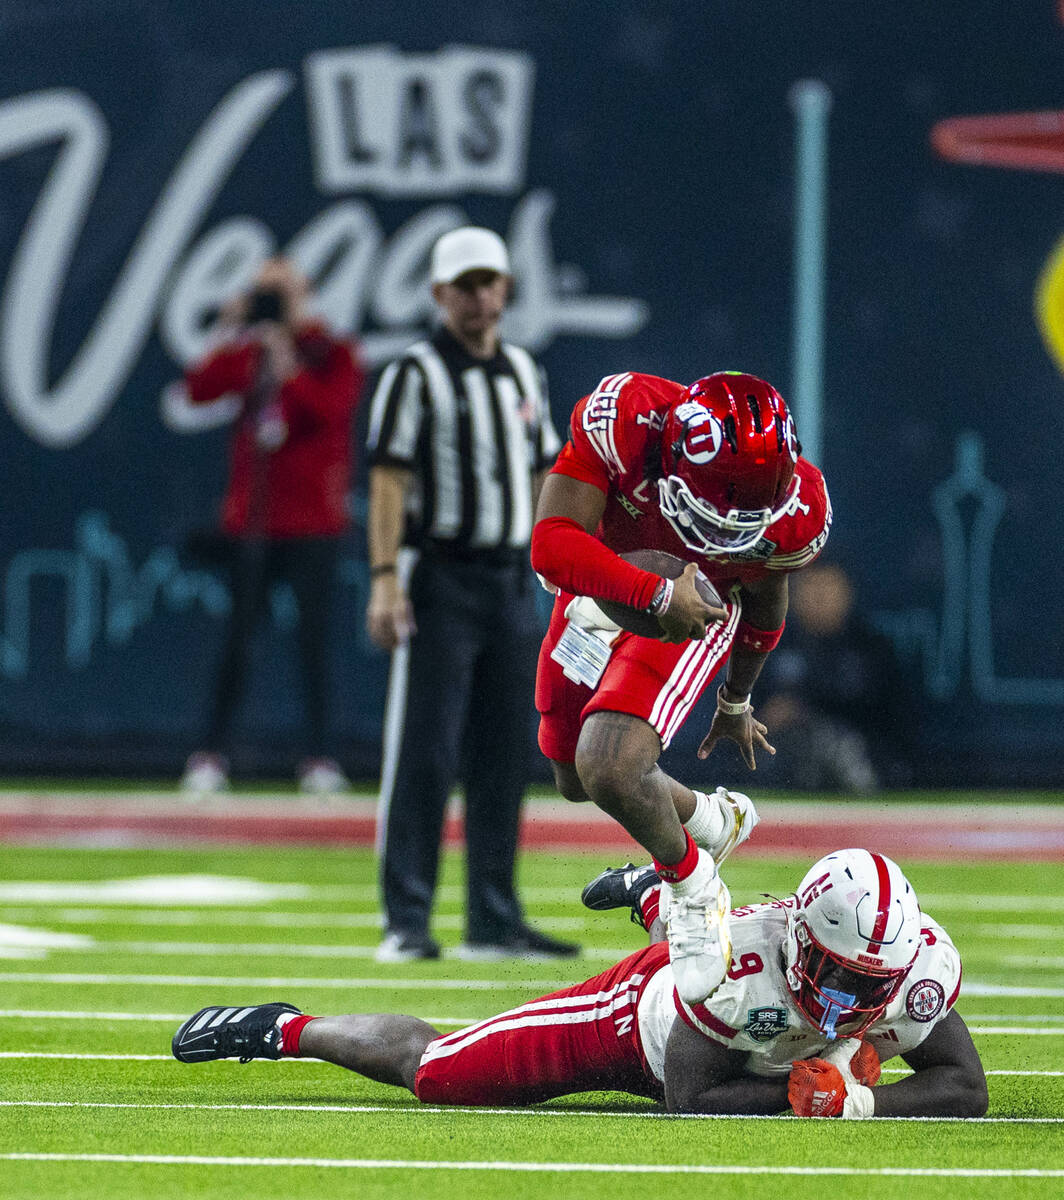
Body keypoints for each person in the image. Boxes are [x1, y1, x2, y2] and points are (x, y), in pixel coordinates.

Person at [171, 845, 988, 1119]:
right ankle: (283, 1028)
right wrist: (805, 1093)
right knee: (442, 1074)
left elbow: (965, 1085)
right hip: (643, 1023)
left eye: (864, 982)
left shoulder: (913, 968)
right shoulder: (738, 968)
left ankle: (656, 896)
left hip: (738, 1034)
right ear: (803, 939)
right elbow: (689, 1100)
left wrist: (857, 1100)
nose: (846, 1001)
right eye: (834, 974)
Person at [529, 370, 831, 1004]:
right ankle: (710, 818)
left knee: (607, 765)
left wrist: (737, 699)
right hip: (614, 585)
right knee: (573, 778)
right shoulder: (627, 421)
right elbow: (552, 545)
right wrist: (652, 591)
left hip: (698, 608)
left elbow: (766, 605)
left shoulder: (797, 507)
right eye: (713, 510)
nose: (725, 532)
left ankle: (692, 889)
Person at [364, 226, 577, 963]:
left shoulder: (523, 369)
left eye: (490, 282)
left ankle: (492, 916)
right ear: (439, 294)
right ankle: (406, 918)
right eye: (465, 285)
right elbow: (388, 478)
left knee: (503, 752)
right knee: (425, 751)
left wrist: (563, 560)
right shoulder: (415, 373)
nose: (480, 297)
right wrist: (386, 577)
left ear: (507, 287)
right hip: (443, 575)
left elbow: (543, 471)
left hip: (512, 576)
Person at [179, 258, 364, 796]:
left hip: (314, 523)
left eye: (280, 294)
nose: (272, 304)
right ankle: (211, 754)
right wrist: (229, 326)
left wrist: (287, 353)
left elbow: (328, 410)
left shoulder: (335, 352)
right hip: (254, 524)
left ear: (305, 294)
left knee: (315, 647)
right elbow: (197, 387)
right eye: (265, 293)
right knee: (237, 642)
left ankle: (321, 757)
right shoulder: (249, 354)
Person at [755, 561, 915, 791]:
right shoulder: (771, 645)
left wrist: (804, 711)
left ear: (847, 593)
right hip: (784, 757)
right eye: (810, 587)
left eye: (827, 588)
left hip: (860, 757)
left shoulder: (871, 647)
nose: (818, 598)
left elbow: (885, 715)